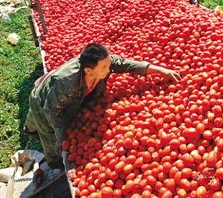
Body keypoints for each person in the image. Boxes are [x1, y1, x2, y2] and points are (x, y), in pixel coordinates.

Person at [24, 43, 181, 169]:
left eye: (108, 65)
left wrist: (159, 70)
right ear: (88, 71)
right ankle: (56, 168)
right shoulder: (67, 83)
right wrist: (61, 138)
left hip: (64, 97)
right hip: (43, 102)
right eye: (105, 68)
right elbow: (51, 110)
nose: (109, 69)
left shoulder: (100, 64)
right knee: (53, 140)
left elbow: (124, 64)